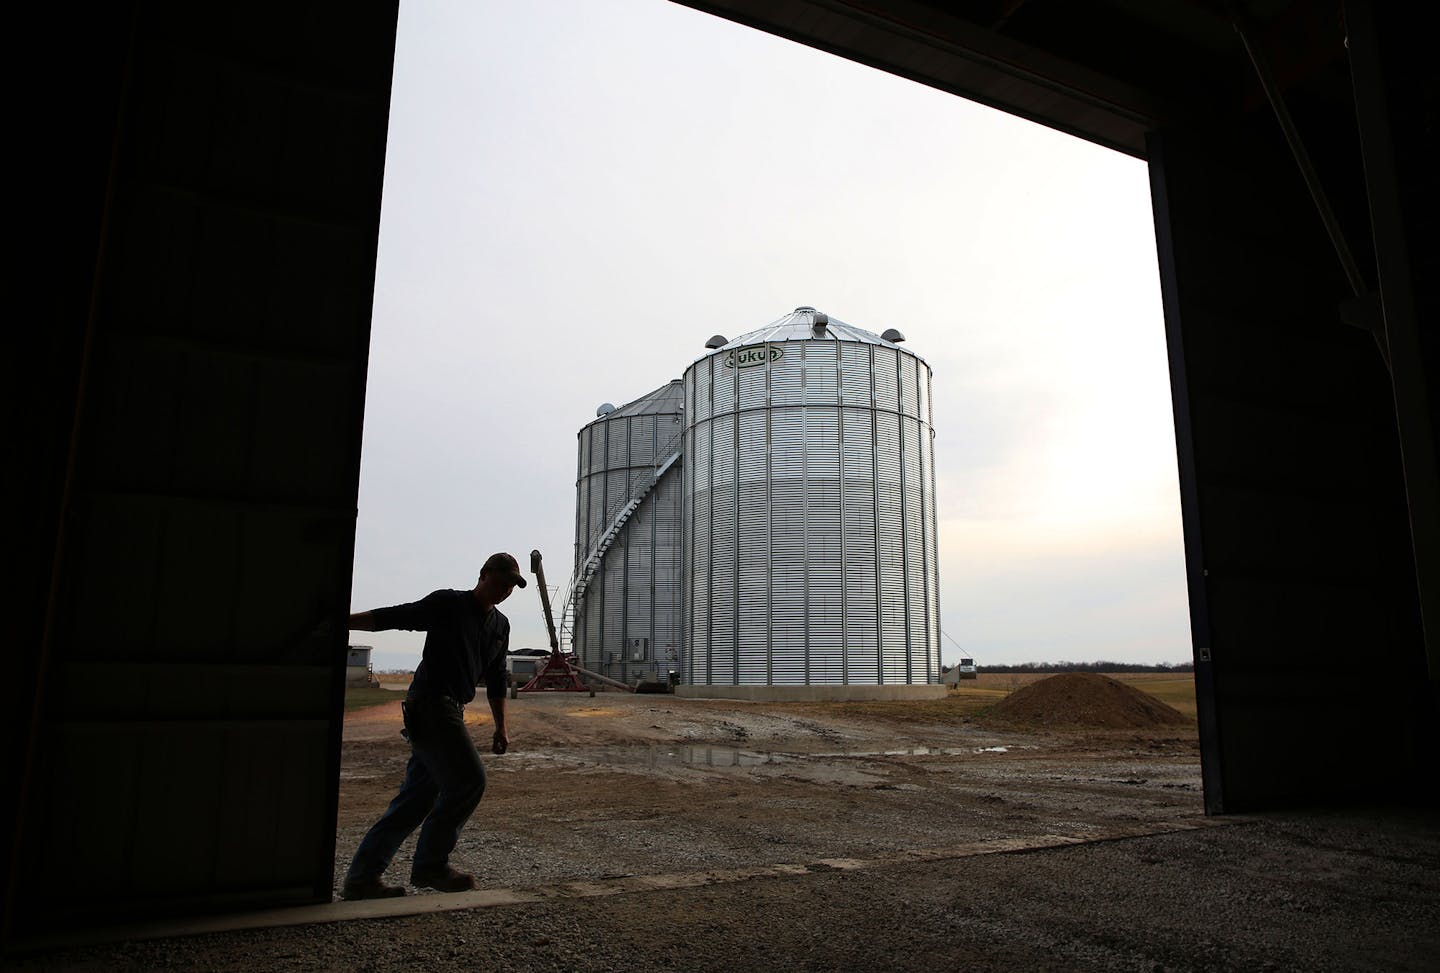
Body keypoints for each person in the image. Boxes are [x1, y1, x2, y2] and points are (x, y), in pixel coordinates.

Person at [340, 552, 527, 900]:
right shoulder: (449, 604)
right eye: (500, 582)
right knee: (469, 780)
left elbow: (498, 679)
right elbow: (398, 616)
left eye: (511, 586)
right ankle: (430, 865)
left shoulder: (500, 626)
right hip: (429, 704)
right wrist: (345, 621)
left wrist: (501, 727)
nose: (504, 591)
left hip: (452, 708)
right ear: (483, 574)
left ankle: (362, 878)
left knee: (415, 799)